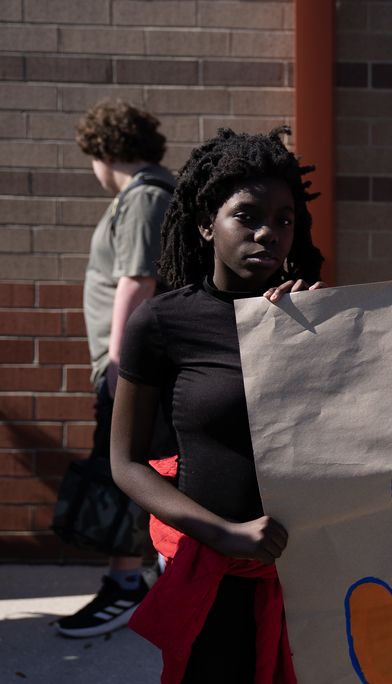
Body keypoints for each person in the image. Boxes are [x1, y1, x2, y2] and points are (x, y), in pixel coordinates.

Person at [109, 127, 324, 682]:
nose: (268, 233)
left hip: (314, 579)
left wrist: (333, 339)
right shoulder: (163, 322)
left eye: (283, 219)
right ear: (206, 224)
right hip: (215, 580)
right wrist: (223, 533)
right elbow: (126, 463)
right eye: (247, 216)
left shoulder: (317, 317)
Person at [55, 99, 178, 638]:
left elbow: (137, 281)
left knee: (122, 469)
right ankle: (146, 575)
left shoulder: (145, 197)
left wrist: (117, 365)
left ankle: (126, 584)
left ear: (105, 151)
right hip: (135, 366)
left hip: (130, 367)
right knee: (140, 465)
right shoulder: (146, 196)